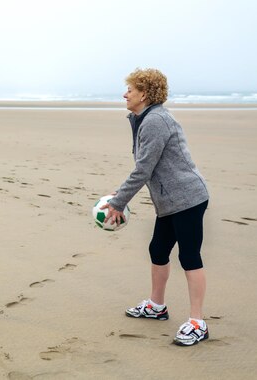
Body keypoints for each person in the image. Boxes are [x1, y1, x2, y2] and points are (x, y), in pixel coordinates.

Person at [101, 68, 210, 346]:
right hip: (169, 201)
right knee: (158, 250)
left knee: (189, 256)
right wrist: (122, 194)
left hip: (188, 198)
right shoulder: (142, 118)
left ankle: (198, 323)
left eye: (130, 89)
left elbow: (143, 169)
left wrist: (118, 202)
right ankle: (156, 306)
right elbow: (146, 167)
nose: (125, 94)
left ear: (144, 94)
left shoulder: (156, 121)